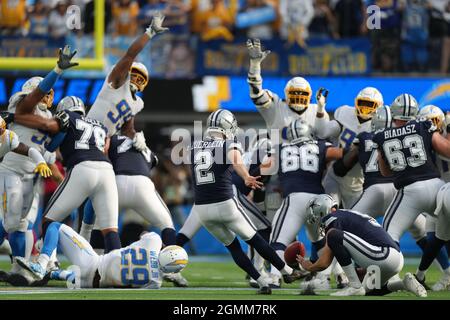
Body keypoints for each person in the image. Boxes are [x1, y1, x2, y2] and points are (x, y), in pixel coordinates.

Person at [188, 109, 303, 294]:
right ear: (227, 126)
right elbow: (235, 160)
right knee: (256, 238)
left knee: (233, 248)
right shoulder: (229, 143)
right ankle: (286, 271)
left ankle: (261, 282)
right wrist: (247, 176)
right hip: (225, 204)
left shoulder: (193, 146)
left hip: (202, 209)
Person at [0, 46, 76, 284]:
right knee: (12, 222)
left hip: (32, 176)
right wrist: (57, 71)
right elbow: (32, 99)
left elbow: (51, 157)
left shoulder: (49, 121)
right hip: (11, 170)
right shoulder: (21, 105)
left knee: (23, 225)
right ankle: (14, 259)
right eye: (43, 92)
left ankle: (20, 270)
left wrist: (69, 189)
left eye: (49, 93)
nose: (46, 97)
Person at [12, 95, 122, 257]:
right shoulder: (100, 125)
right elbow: (104, 149)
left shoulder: (68, 117)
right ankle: (119, 269)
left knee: (49, 220)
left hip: (83, 167)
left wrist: (15, 117)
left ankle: (44, 262)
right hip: (107, 171)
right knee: (110, 230)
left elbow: (46, 124)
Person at [297, 194, 427, 297]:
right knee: (372, 291)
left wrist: (309, 265)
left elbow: (324, 262)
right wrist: (362, 269)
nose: (319, 222)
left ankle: (354, 286)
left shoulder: (333, 217)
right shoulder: (346, 215)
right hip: (394, 258)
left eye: (317, 217)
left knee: (333, 236)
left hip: (383, 255)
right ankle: (404, 283)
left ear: (322, 210)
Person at [267, 118, 345, 287]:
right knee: (321, 241)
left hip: (294, 198)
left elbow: (264, 168)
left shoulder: (280, 149)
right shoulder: (320, 146)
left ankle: (275, 277)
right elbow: (341, 154)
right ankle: (331, 276)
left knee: (278, 242)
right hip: (318, 200)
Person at [16, 221, 186, 289]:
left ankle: (42, 263)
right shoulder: (156, 282)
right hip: (94, 284)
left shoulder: (154, 240)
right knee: (72, 276)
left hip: (93, 263)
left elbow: (144, 234)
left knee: (54, 226)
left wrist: (161, 246)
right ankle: (53, 273)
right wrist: (165, 273)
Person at [315, 86, 384, 208]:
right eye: (362, 103)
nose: (365, 107)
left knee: (353, 221)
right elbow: (323, 133)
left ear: (378, 107)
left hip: (358, 183)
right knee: (327, 210)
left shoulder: (379, 126)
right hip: (334, 176)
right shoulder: (345, 113)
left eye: (369, 104)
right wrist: (321, 108)